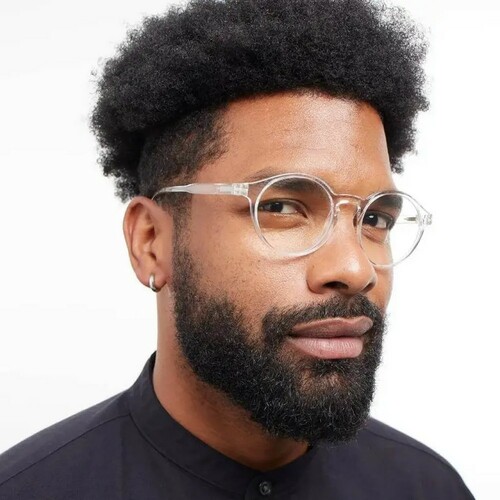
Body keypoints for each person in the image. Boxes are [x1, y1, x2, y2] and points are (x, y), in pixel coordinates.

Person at [0, 0, 475, 498]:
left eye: (374, 219)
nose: (356, 269)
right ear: (151, 242)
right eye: (281, 207)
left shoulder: (428, 487)